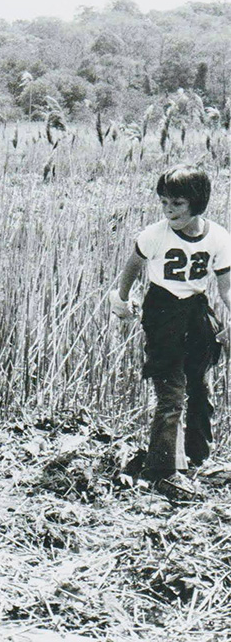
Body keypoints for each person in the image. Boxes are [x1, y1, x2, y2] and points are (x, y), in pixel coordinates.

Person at [110, 164, 230, 499]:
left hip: (196, 312)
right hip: (163, 312)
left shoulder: (219, 237)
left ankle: (197, 458)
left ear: (196, 202)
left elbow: (226, 288)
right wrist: (122, 298)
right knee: (170, 393)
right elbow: (133, 266)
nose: (168, 210)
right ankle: (164, 469)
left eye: (176, 203)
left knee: (200, 389)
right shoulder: (154, 235)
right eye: (164, 202)